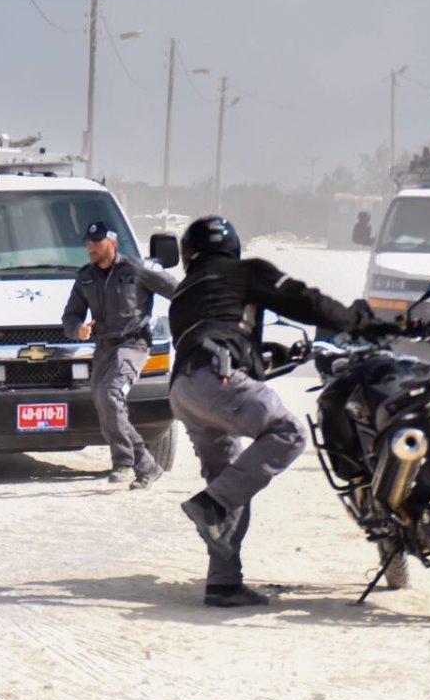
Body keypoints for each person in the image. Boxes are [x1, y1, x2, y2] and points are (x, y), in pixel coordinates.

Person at [167, 215, 391, 608]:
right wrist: (361, 323)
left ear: (189, 255)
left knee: (233, 475)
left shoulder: (186, 292)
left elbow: (220, 335)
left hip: (185, 391)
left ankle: (223, 583)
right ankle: (210, 505)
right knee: (287, 432)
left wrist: (271, 356)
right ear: (233, 248)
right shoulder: (246, 271)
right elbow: (306, 301)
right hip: (215, 380)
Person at [61, 220, 177, 489]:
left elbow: (175, 289)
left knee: (111, 395)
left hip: (132, 345)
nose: (91, 247)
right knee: (105, 406)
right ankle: (146, 466)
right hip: (103, 348)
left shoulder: (135, 269)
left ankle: (124, 462)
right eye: (88, 243)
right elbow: (70, 315)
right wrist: (76, 329)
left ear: (112, 243)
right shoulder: (86, 277)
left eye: (97, 242)